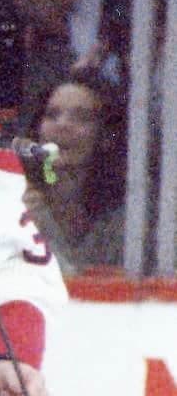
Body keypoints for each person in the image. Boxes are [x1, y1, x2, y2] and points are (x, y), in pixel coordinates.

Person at [23, 69, 127, 272]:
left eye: (82, 117)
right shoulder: (14, 205)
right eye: (52, 115)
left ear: (106, 135)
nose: (62, 125)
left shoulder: (123, 221)